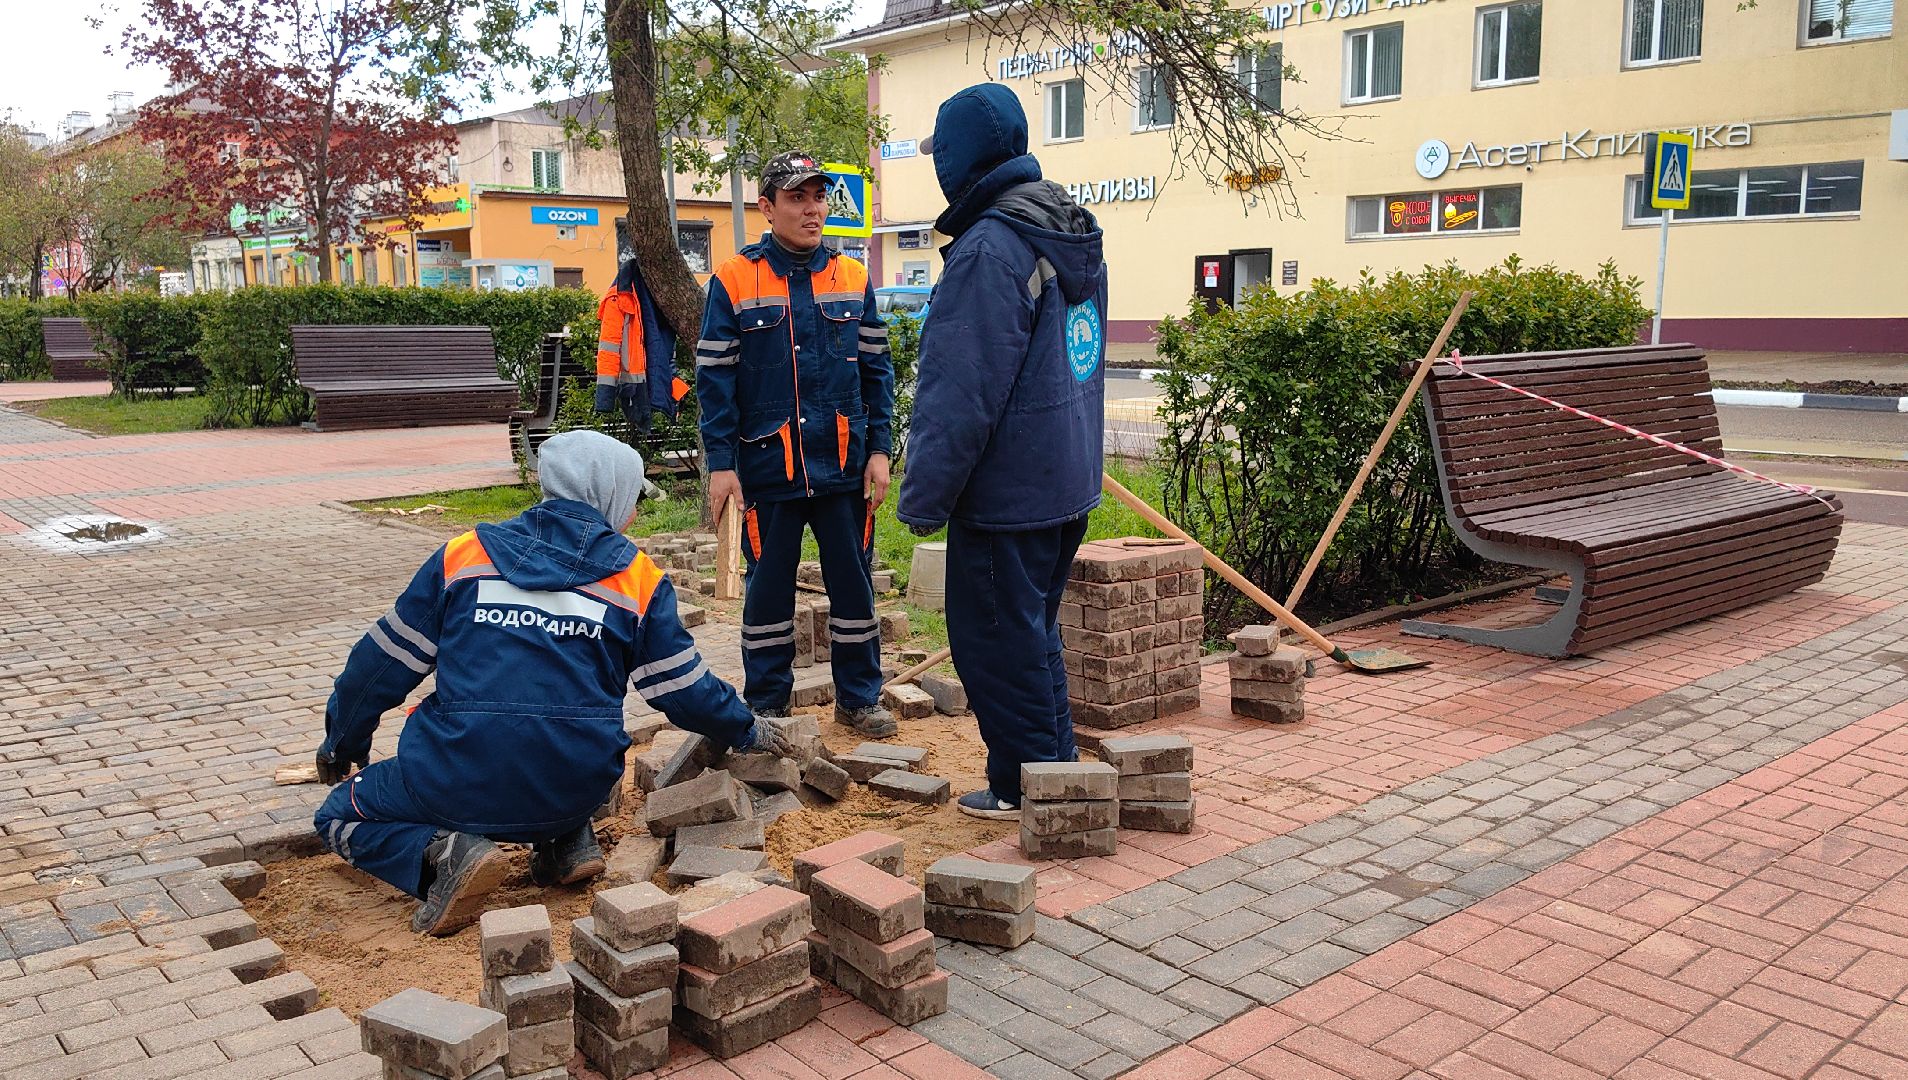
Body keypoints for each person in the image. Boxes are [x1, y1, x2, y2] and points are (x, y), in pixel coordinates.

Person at [311, 430, 793, 936]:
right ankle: (566, 843)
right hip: (576, 787)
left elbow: (378, 667)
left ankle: (441, 855)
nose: (632, 516)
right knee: (562, 731)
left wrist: (342, 742)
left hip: (454, 782)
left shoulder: (464, 558)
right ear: (609, 497)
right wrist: (747, 729)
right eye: (632, 501)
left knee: (338, 815)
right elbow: (685, 692)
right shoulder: (638, 580)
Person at [896, 84, 1108, 819]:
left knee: (994, 644)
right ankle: (1055, 775)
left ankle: (1027, 788)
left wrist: (924, 498)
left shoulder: (991, 248)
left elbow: (959, 393)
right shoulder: (1066, 225)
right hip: (1063, 478)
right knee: (1029, 636)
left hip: (1008, 493)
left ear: (958, 159)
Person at [695, 150, 898, 737]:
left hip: (842, 466)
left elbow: (876, 372)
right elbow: (715, 381)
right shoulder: (734, 278)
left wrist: (880, 450)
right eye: (797, 198)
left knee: (853, 586)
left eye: (819, 197)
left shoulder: (852, 277)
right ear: (767, 207)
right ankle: (767, 705)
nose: (813, 210)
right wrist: (721, 464)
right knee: (767, 594)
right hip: (768, 468)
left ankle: (858, 699)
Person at [594, 256, 689, 433]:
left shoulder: (632, 296)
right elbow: (609, 348)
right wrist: (604, 398)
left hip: (636, 388)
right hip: (638, 386)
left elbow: (609, 349)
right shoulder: (620, 297)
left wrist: (605, 399)